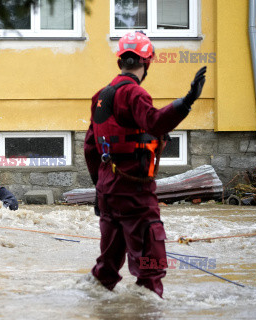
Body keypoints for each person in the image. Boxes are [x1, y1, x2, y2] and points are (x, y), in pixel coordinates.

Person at [84, 31, 206, 298]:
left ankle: (93, 304)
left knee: (107, 264)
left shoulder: (100, 96)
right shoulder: (134, 93)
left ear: (120, 62)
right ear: (147, 61)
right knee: (151, 263)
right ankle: (150, 310)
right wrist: (186, 102)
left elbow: (91, 147)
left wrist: (98, 189)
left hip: (108, 191)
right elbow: (154, 122)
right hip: (134, 192)